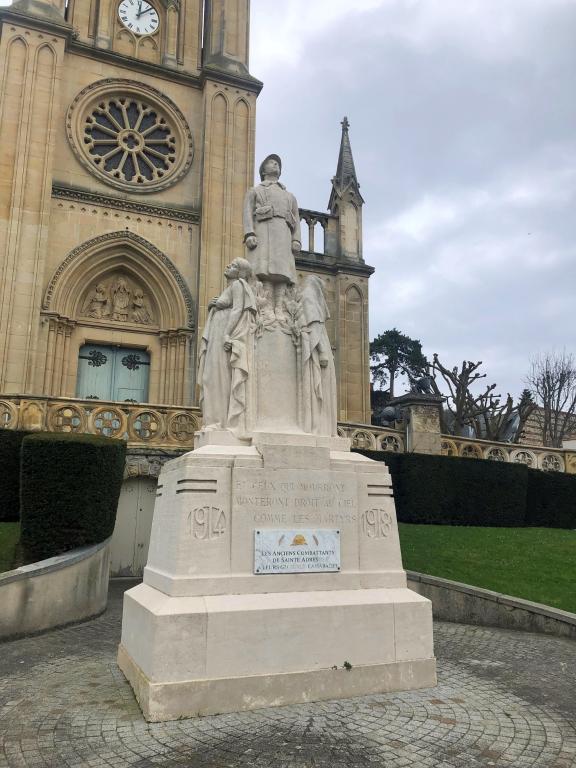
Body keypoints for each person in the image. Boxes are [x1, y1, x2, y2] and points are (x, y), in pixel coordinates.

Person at [197, 258, 256, 435]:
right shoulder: (230, 287)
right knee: (211, 376)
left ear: (239, 272)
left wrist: (227, 334)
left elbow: (238, 309)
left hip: (223, 331)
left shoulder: (238, 284)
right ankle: (213, 420)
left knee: (219, 377)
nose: (227, 266)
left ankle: (220, 421)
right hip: (217, 331)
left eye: (233, 265)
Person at [243, 154, 301, 319]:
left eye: (277, 163)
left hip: (283, 234)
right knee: (266, 270)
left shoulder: (289, 196)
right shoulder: (256, 190)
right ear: (263, 170)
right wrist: (249, 233)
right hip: (264, 232)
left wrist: (296, 239)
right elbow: (247, 212)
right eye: (271, 162)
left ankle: (279, 308)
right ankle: (267, 307)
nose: (275, 165)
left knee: (283, 272)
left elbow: (296, 218)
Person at [300, 275, 337, 436]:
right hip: (317, 353)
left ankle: (323, 427)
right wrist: (322, 352)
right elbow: (314, 326)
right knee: (321, 391)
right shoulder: (309, 296)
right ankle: (320, 427)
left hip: (319, 348)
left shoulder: (308, 295)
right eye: (322, 291)